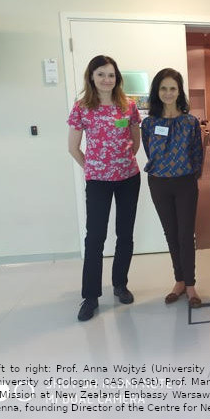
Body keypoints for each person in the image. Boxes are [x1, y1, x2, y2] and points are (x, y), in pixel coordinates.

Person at [67, 55, 141, 322]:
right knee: (95, 237)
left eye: (111, 75)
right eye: (101, 74)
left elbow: (135, 141)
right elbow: (73, 147)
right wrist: (93, 168)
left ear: (117, 78)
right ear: (91, 77)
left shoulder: (128, 106)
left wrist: (121, 163)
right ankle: (90, 296)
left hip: (128, 179)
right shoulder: (82, 107)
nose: (106, 79)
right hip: (98, 182)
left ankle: (120, 284)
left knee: (125, 234)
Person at [141, 68, 203, 308]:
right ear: (157, 91)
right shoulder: (149, 123)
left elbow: (197, 154)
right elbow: (150, 152)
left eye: (173, 88)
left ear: (180, 92)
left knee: (186, 234)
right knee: (171, 234)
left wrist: (188, 175)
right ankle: (179, 281)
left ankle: (191, 284)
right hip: (159, 183)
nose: (168, 93)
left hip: (185, 183)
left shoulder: (190, 122)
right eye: (163, 88)